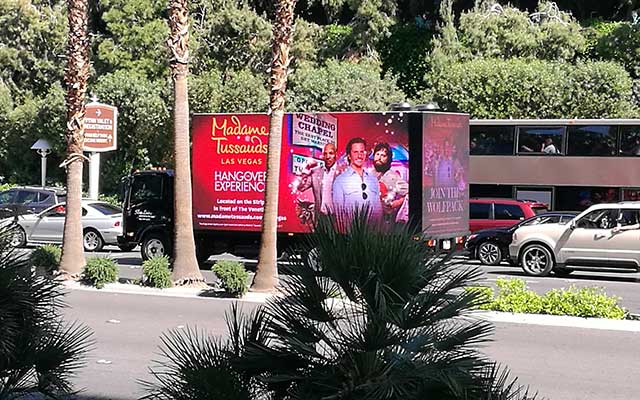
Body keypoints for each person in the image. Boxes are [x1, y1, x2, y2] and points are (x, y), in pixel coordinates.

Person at [332, 137, 382, 220]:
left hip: (373, 232)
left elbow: (379, 213)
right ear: (349, 156)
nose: (359, 155)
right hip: (351, 232)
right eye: (355, 152)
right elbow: (339, 217)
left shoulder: (373, 180)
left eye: (362, 152)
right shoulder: (340, 181)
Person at [297, 143, 338, 218]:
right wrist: (306, 171)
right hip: (320, 218)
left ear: (336, 154)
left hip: (337, 218)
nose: (328, 157)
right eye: (325, 154)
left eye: (331, 153)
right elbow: (301, 188)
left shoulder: (342, 172)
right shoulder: (315, 172)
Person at [372, 142, 408, 223]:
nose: (379, 158)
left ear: (389, 159)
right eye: (377, 154)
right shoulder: (368, 174)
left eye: (383, 155)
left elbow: (409, 191)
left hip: (385, 223)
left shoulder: (393, 177)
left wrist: (397, 203)